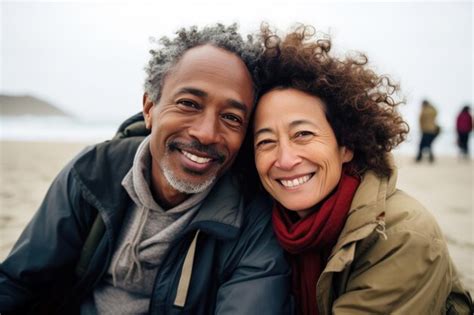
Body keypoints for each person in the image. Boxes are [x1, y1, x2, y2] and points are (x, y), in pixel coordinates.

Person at [0, 24, 292, 314]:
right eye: (188, 103)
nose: (206, 133)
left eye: (231, 117)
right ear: (149, 108)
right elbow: (18, 282)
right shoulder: (93, 172)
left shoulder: (254, 219)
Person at [251, 25, 472, 314]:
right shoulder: (260, 223)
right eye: (266, 141)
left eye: (303, 134)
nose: (285, 159)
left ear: (346, 146)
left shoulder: (402, 235)